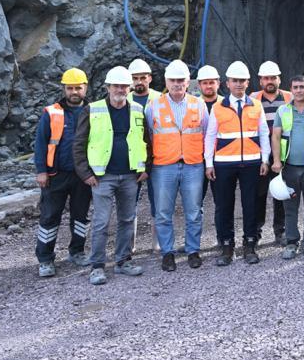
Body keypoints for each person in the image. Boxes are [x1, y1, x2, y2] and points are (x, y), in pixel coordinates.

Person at [73, 66, 150, 286]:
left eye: (124, 86)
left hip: (129, 176)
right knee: (101, 222)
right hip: (102, 177)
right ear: (107, 87)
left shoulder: (136, 109)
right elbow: (78, 144)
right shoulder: (92, 110)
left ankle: (123, 261)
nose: (120, 89)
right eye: (116, 86)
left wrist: (146, 168)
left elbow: (146, 140)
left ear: (129, 88)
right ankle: (97, 267)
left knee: (127, 219)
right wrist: (85, 173)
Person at [204, 61, 270, 266]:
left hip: (251, 163)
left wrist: (265, 159)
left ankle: (249, 245)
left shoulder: (256, 104)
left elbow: (264, 133)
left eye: (242, 81)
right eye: (235, 81)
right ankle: (226, 246)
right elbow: (210, 135)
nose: (239, 84)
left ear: (248, 83)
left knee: (251, 205)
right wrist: (209, 163)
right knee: (224, 206)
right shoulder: (217, 107)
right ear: (227, 83)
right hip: (223, 164)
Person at [145, 59, 208, 272]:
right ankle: (168, 253)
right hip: (164, 166)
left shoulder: (198, 104)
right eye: (173, 80)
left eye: (181, 80)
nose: (177, 84)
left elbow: (206, 133)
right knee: (163, 212)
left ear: (188, 81)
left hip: (193, 165)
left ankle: (192, 251)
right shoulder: (154, 105)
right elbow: (150, 136)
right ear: (166, 81)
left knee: (193, 211)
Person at [32, 68, 91, 278]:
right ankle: (45, 258)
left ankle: (77, 251)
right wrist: (41, 171)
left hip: (83, 175)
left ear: (86, 88)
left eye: (78, 88)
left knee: (81, 216)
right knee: (49, 216)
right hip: (56, 175)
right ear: (64, 89)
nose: (74, 92)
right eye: (70, 88)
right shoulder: (52, 112)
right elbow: (40, 143)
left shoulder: (93, 111)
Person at [271, 76, 304, 260]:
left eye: (302, 87)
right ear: (291, 90)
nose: (299, 90)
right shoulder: (283, 110)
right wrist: (276, 160)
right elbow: (276, 136)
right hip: (289, 167)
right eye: (295, 87)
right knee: (290, 207)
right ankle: (292, 242)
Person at [251, 60, 292, 245]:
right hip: (260, 152)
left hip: (284, 151)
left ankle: (280, 231)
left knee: (281, 192)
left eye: (273, 78)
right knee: (258, 194)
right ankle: (257, 230)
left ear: (279, 79)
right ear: (260, 80)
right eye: (266, 78)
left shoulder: (289, 97)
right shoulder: (253, 99)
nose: (270, 81)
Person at [128, 58, 161, 233]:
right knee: (130, 201)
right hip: (132, 159)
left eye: (142, 77)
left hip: (157, 157)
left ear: (149, 78)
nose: (139, 82)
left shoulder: (160, 98)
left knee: (157, 199)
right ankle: (129, 244)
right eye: (135, 78)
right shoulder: (123, 99)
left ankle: (158, 243)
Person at [195, 64, 220, 207]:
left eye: (212, 82)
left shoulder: (226, 103)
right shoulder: (192, 104)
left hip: (220, 157)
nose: (209, 86)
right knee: (196, 201)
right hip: (197, 158)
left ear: (218, 83)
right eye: (205, 83)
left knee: (221, 199)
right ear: (199, 85)